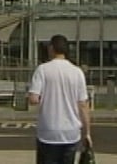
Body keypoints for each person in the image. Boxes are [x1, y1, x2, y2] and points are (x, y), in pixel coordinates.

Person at [28, 35, 92, 164]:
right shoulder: (77, 72)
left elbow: (33, 99)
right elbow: (83, 105)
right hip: (71, 132)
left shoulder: (42, 70)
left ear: (51, 48)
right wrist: (87, 133)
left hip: (48, 132)